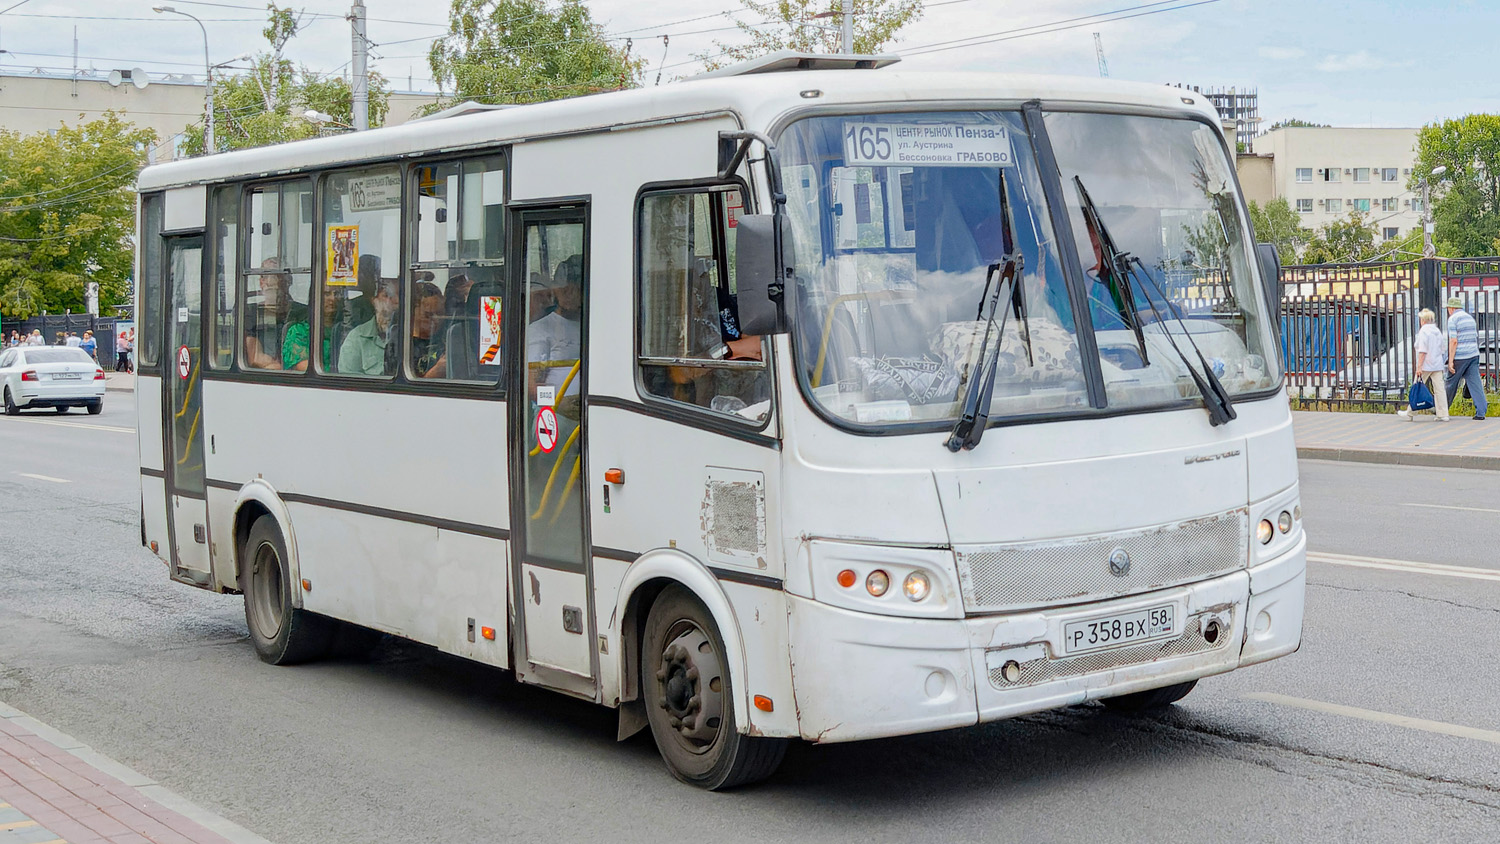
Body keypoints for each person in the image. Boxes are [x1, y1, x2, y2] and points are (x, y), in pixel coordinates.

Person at [527, 255, 583, 399]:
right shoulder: (539, 330)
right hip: (552, 417)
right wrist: (559, 403)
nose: (569, 294)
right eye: (563, 289)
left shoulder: (594, 328)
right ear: (555, 291)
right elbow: (530, 386)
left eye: (575, 288)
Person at [337, 277, 399, 376]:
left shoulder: (412, 335)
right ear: (374, 301)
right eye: (386, 295)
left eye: (399, 295)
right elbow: (348, 382)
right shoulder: (357, 337)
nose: (393, 301)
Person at [1399, 308, 1449, 422]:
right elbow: (1443, 349)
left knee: (1417, 387)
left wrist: (1419, 367)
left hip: (1426, 364)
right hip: (1437, 364)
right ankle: (1443, 413)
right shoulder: (1437, 331)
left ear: (1423, 320)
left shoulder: (1424, 331)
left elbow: (1422, 351)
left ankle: (1410, 412)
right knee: (1440, 389)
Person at [1444, 295, 1485, 421]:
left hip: (1460, 356)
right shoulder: (1470, 318)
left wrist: (1450, 361)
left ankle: (1442, 409)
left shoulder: (1452, 319)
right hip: (1473, 354)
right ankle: (1481, 412)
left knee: (1450, 383)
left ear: (1451, 308)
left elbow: (1454, 341)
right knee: (1475, 383)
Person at [282, 285, 338, 372]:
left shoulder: (346, 330)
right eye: (327, 294)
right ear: (315, 298)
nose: (333, 298)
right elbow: (305, 367)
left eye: (337, 294)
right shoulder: (299, 331)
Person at [410, 281, 446, 376]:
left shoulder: (447, 340)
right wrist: (435, 372)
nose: (436, 321)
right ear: (414, 312)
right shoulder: (399, 343)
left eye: (439, 314)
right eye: (429, 315)